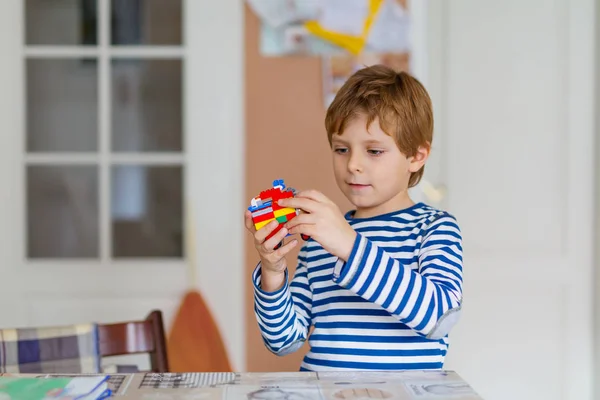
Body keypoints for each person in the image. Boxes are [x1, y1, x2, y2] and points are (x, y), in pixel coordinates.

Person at [244, 65, 463, 371]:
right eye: (341, 149)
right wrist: (273, 270)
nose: (353, 165)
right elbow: (284, 341)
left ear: (416, 156)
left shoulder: (434, 229)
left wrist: (349, 244)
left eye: (374, 151)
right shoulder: (320, 238)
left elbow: (438, 318)